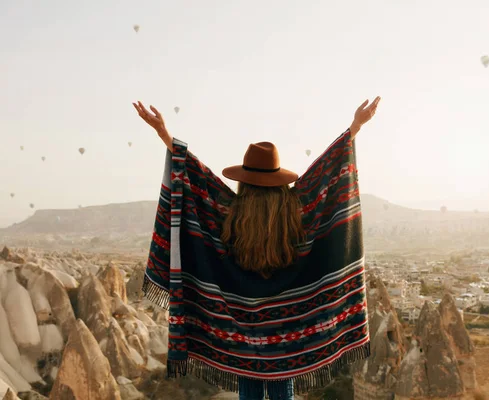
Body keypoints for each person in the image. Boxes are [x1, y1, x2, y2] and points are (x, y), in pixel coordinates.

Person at [133, 96, 380, 400]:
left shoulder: (229, 211)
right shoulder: (296, 208)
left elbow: (196, 178)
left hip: (241, 324)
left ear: (244, 181)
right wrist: (355, 127)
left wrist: (164, 133)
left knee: (248, 384)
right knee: (282, 382)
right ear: (279, 181)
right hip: (288, 324)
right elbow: (326, 173)